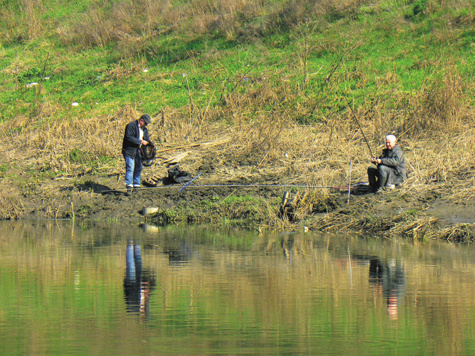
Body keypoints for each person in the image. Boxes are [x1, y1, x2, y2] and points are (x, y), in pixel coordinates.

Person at [122, 114, 153, 192]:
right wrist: (140, 141)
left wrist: (151, 145)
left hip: (138, 151)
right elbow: (128, 137)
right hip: (129, 150)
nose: (146, 125)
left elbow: (147, 139)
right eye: (145, 123)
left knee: (139, 167)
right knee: (130, 167)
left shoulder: (144, 130)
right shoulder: (131, 126)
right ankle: (129, 186)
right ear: (141, 120)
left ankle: (136, 185)